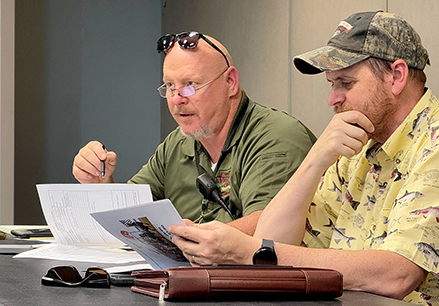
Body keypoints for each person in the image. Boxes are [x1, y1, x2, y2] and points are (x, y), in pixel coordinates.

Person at [169, 11, 439, 306]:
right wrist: (315, 161)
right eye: (332, 84)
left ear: (396, 76)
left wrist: (247, 251)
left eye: (345, 83)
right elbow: (275, 240)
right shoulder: (358, 146)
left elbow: (396, 275)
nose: (333, 99)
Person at [72, 31, 316, 234]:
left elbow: (268, 228)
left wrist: (190, 238)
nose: (177, 100)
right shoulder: (177, 143)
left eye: (190, 86)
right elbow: (130, 214)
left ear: (230, 82)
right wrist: (101, 182)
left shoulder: (276, 137)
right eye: (169, 86)